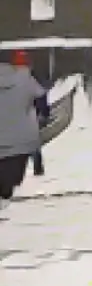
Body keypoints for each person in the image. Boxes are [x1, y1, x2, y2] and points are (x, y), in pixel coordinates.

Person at [0, 50, 44, 201]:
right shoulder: (25, 79)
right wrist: (42, 114)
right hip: (20, 142)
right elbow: (41, 100)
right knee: (11, 183)